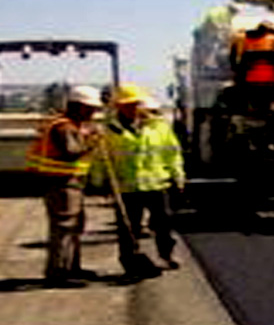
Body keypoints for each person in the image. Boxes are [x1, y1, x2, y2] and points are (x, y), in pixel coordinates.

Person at [103, 85, 186, 274]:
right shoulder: (110, 130)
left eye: (134, 104)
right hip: (127, 187)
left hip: (156, 184)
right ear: (118, 106)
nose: (131, 108)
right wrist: (101, 183)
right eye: (126, 105)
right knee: (128, 227)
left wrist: (178, 176)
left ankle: (167, 254)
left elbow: (172, 153)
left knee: (164, 222)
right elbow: (102, 159)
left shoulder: (159, 127)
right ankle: (130, 261)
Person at [25, 85, 102, 287]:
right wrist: (92, 141)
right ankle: (58, 273)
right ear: (78, 106)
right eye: (90, 108)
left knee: (75, 228)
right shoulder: (64, 127)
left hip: (70, 184)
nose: (94, 113)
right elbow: (71, 152)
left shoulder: (72, 125)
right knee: (64, 230)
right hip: (61, 185)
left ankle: (72, 268)